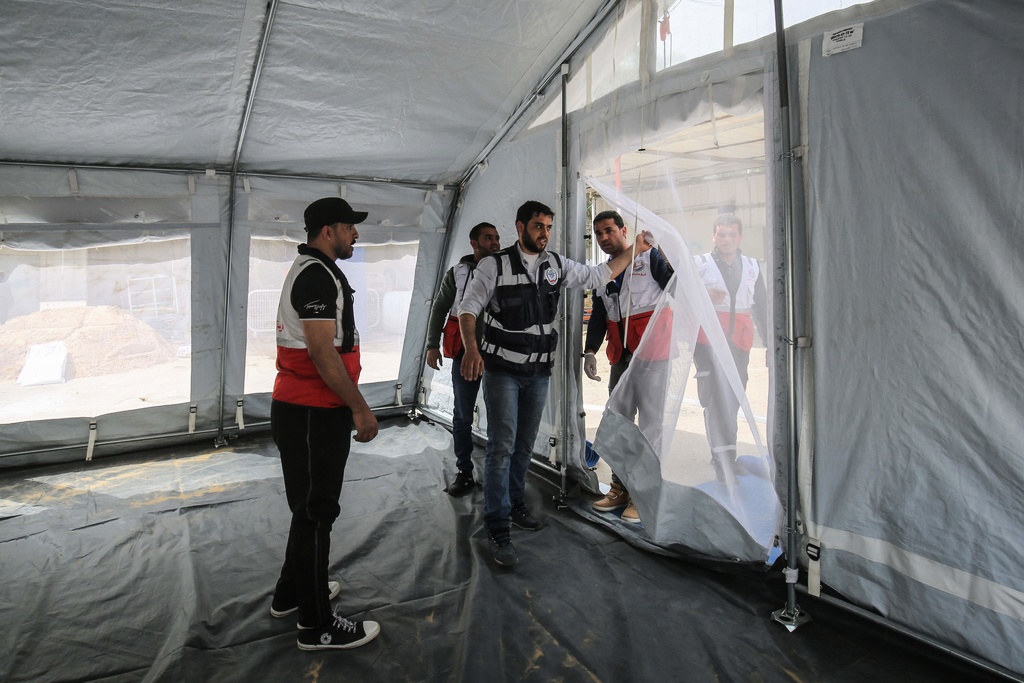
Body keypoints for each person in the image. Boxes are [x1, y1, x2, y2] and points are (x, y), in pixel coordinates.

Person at [458, 200, 651, 566]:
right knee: (502, 447)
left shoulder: (556, 265)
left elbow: (597, 276)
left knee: (524, 446)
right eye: (538, 226)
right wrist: (471, 349)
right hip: (502, 372)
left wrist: (634, 250)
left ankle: (516, 504)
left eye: (548, 227)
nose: (544, 233)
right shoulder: (493, 265)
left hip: (538, 373)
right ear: (520, 227)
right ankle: (498, 525)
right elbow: (468, 308)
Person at [269, 197, 382, 651]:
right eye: (349, 227)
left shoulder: (317, 269)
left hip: (306, 409)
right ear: (327, 231)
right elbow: (321, 352)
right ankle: (316, 626)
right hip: (313, 412)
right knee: (316, 515)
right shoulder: (316, 274)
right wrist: (359, 408)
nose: (356, 234)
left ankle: (291, 594)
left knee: (307, 511)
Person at [583, 210, 674, 525]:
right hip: (620, 358)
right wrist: (590, 351)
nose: (604, 237)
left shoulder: (649, 258)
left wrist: (663, 250)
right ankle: (620, 487)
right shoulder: (604, 272)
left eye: (609, 230)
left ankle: (643, 495)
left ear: (624, 231)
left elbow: (676, 286)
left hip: (653, 355)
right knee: (618, 422)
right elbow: (598, 315)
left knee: (650, 427)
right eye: (598, 233)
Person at [424, 222, 501, 496]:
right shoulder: (457, 273)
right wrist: (432, 345)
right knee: (463, 414)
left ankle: (498, 474)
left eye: (496, 237)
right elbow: (440, 307)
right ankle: (464, 471)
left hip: (498, 355)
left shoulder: (505, 270)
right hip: (465, 356)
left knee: (500, 416)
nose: (495, 242)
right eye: (488, 238)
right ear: (474, 243)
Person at [693, 213, 768, 486]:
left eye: (732, 235)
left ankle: (730, 458)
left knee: (733, 400)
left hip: (739, 344)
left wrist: (770, 345)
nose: (726, 240)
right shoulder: (700, 264)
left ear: (740, 237)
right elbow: (677, 290)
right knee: (715, 402)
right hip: (708, 345)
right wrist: (704, 293)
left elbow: (761, 306)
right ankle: (720, 462)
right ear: (714, 236)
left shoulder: (752, 267)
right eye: (721, 234)